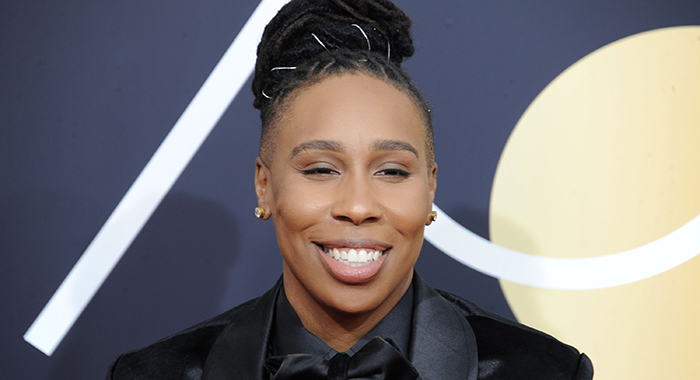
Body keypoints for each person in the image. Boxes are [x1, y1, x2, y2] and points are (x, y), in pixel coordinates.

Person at [107, 0, 593, 379]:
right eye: (320, 169)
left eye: (392, 172)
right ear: (264, 186)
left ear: (430, 190)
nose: (358, 206)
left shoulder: (543, 371)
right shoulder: (156, 373)